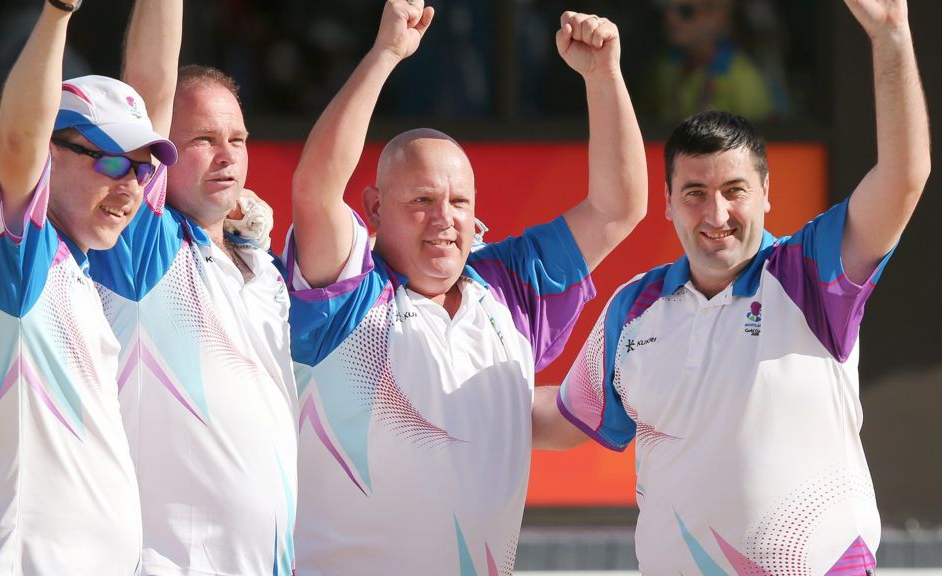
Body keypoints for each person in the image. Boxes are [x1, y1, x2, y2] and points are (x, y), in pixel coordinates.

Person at [540, 0, 931, 572]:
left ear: (766, 194)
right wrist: (449, 396)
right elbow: (561, 420)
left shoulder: (808, 275)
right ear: (669, 203)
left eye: (735, 191)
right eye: (695, 193)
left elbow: (903, 178)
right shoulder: (634, 308)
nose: (716, 213)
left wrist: (891, 33)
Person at [286, 1, 647, 573]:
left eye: (459, 202)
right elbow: (315, 189)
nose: (444, 219)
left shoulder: (508, 288)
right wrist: (385, 54)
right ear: (374, 208)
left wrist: (604, 77)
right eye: (422, 200)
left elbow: (617, 208)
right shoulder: (346, 292)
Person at [0, 0, 177, 573]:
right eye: (110, 162)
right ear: (52, 153)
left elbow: (156, 90)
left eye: (142, 168)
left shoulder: (80, 266)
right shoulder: (19, 263)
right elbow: (20, 140)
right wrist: (58, 13)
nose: (131, 186)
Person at [86, 1, 298, 573]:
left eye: (239, 138)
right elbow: (147, 84)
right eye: (203, 139)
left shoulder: (265, 271)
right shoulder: (144, 251)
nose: (227, 155)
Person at [641, 0, 775, 122]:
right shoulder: (663, 66)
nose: (670, 18)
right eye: (667, 9)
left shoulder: (743, 79)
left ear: (717, 18)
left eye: (686, 11)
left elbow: (761, 135)